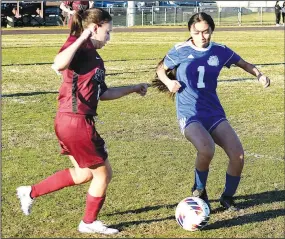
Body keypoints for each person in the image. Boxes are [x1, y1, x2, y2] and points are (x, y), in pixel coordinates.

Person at [16, 7, 148, 234]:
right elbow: (58, 63)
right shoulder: (78, 44)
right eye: (107, 32)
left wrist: (133, 88)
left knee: (84, 174)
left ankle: (30, 192)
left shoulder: (96, 58)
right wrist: (83, 36)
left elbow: (102, 94)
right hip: (76, 121)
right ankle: (88, 222)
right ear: (95, 28)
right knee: (104, 174)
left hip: (70, 121)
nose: (109, 38)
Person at [152, 12, 270, 211]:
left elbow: (244, 64)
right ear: (190, 31)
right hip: (190, 113)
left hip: (214, 112)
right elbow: (160, 69)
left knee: (238, 154)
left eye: (206, 32)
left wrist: (259, 75)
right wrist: (168, 82)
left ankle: (227, 198)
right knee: (206, 149)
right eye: (197, 32)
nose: (202, 36)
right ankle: (199, 189)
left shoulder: (220, 51)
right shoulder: (180, 50)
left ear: (212, 30)